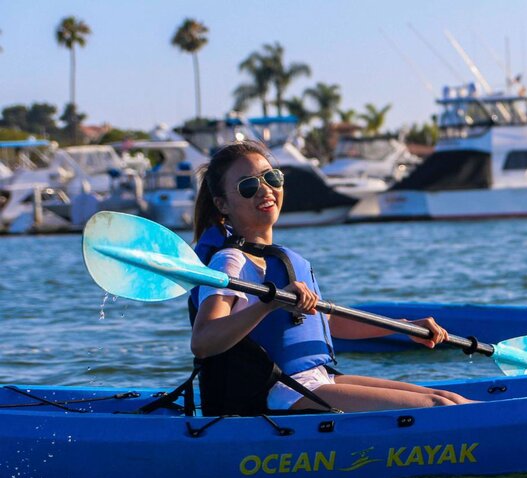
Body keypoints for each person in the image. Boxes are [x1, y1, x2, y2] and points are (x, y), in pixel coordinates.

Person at [190, 141, 472, 413]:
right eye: (248, 186)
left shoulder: (279, 258)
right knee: (440, 408)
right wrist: (269, 304)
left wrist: (403, 327)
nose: (265, 190)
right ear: (222, 204)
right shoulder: (229, 262)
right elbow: (203, 342)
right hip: (278, 392)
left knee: (449, 397)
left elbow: (328, 321)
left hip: (317, 377)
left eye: (271, 178)